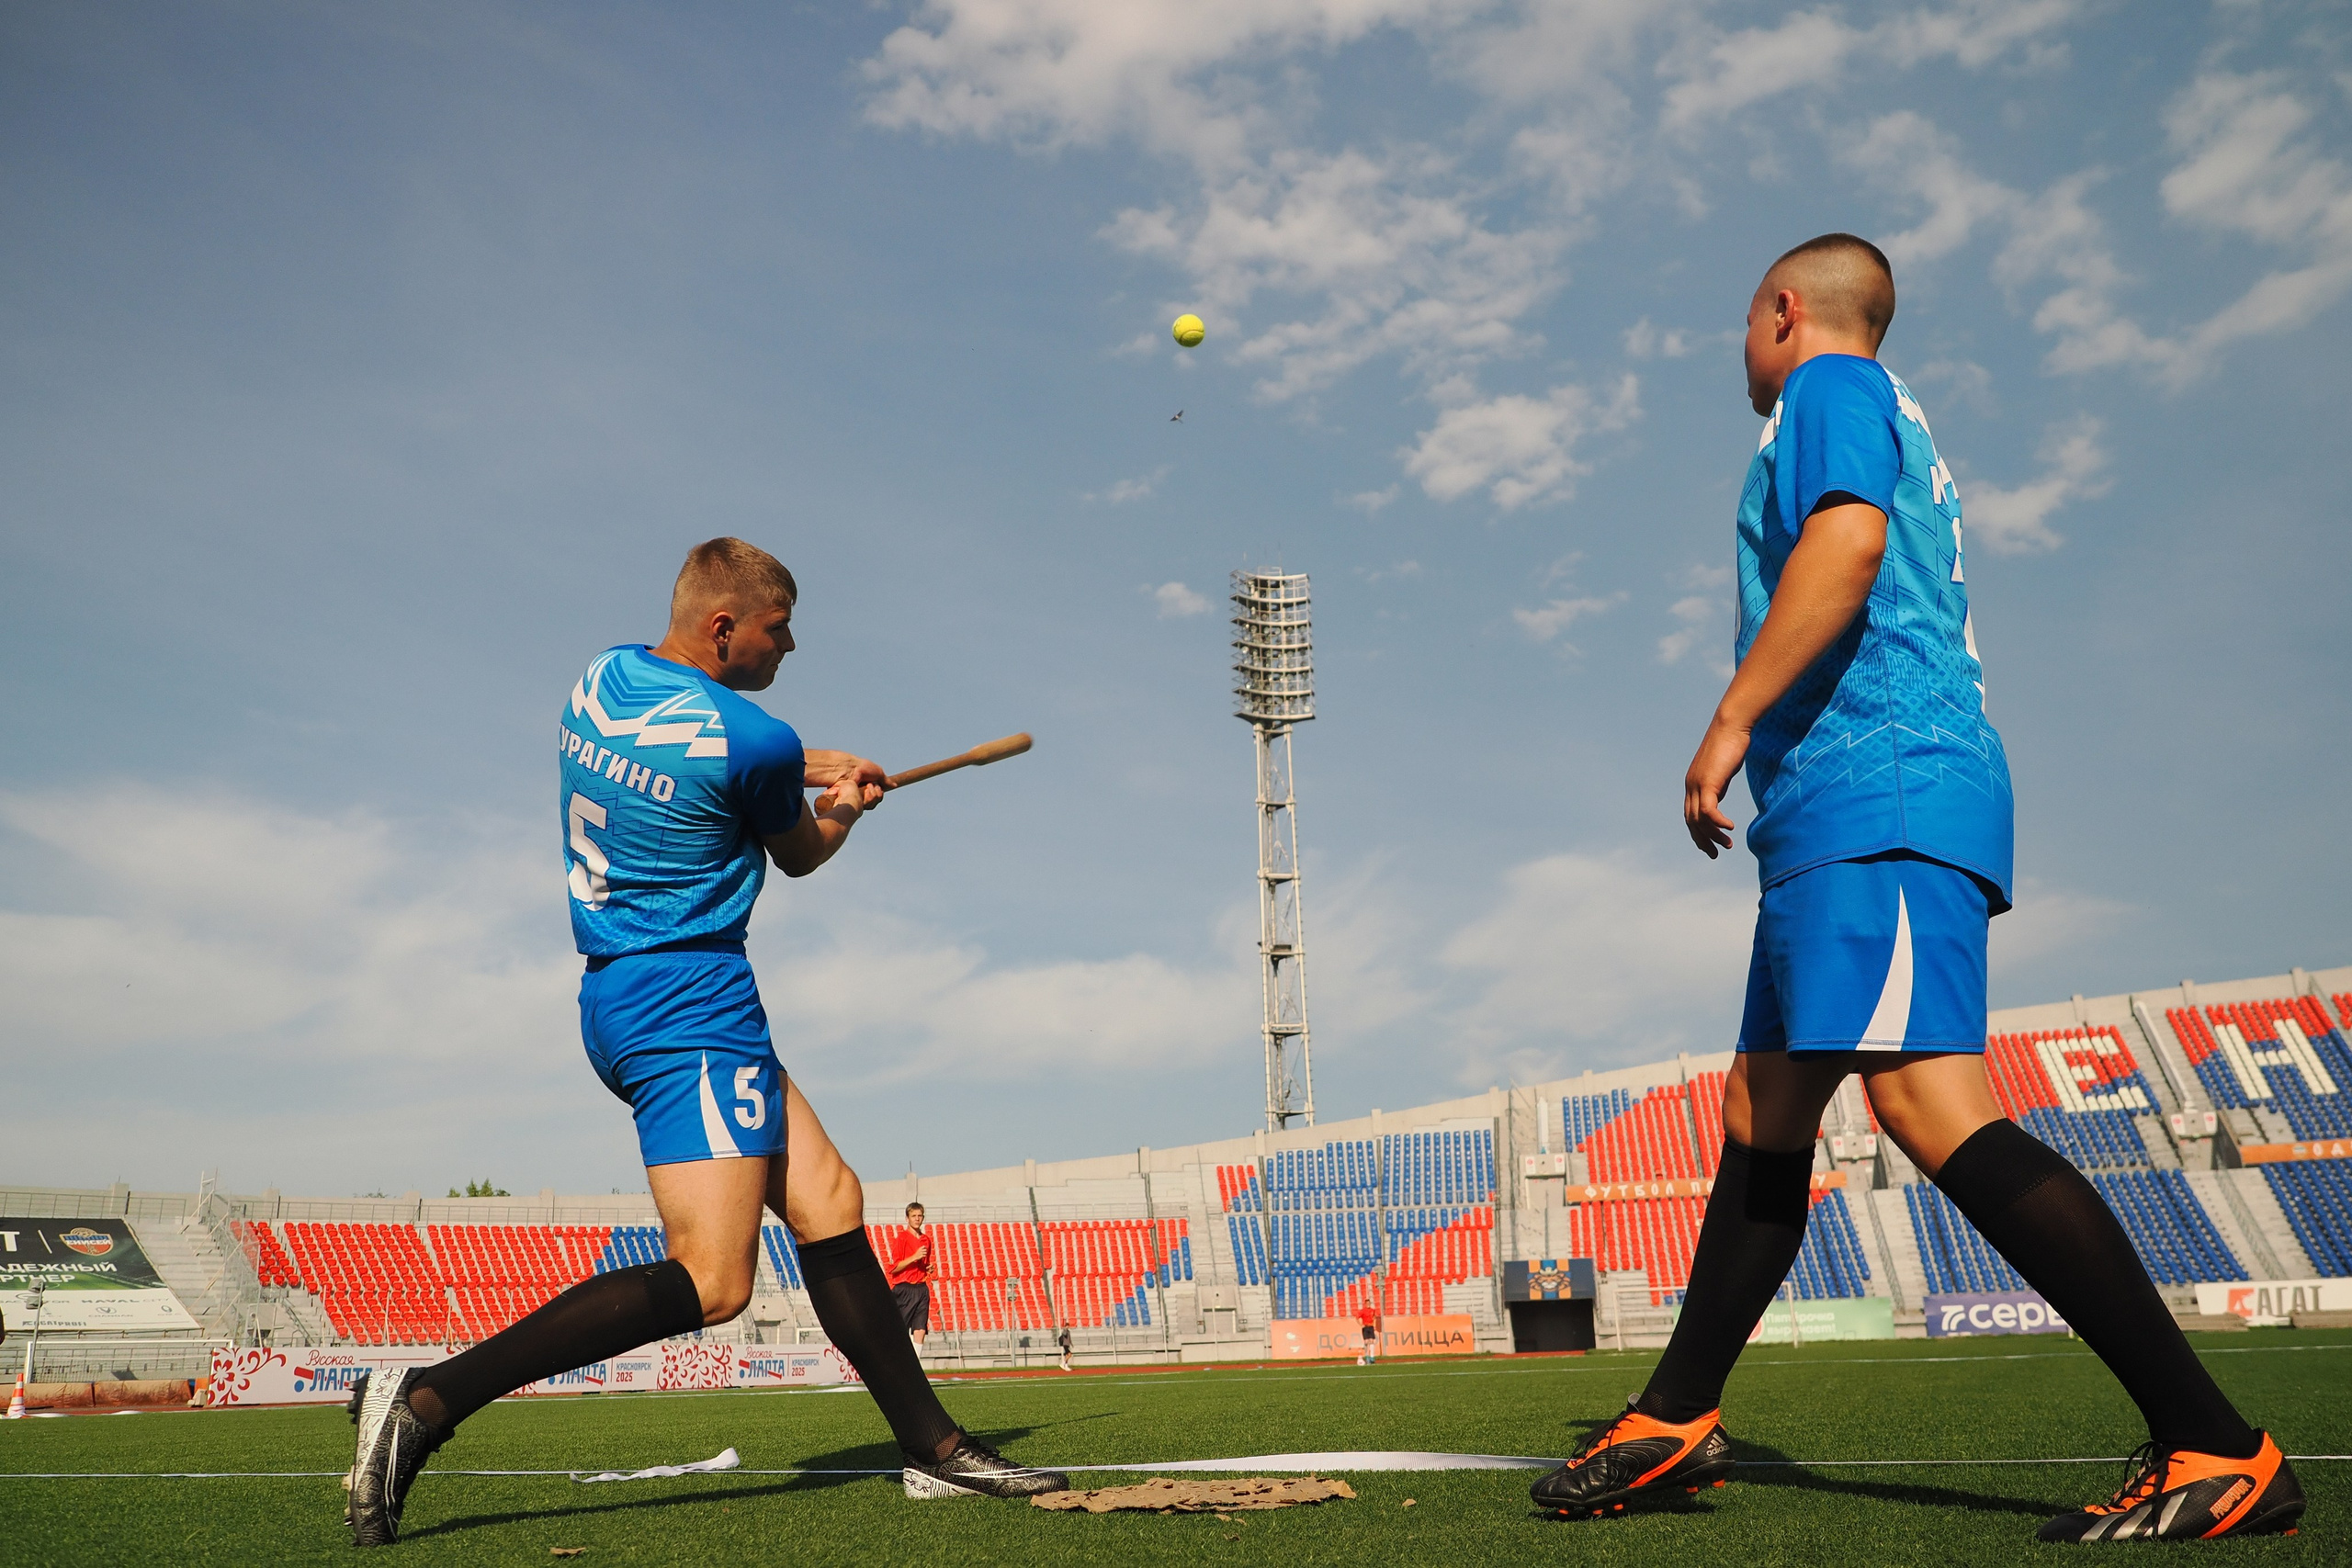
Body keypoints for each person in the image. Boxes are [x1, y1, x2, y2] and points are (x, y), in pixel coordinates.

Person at [1528, 236, 2303, 1544]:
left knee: (1926, 1103)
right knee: (1763, 1106)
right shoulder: (1876, 409)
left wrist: (1728, 721)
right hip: (1845, 802)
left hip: (1879, 785)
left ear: (1785, 310)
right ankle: (1676, 1416)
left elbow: (1847, 540)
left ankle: (2220, 1443)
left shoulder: (1829, 387)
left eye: (1746, 321)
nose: (1744, 350)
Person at [345, 538, 1067, 1547]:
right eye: (779, 627)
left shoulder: (606, 680)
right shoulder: (755, 741)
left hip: (620, 989)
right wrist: (847, 809)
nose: (792, 642)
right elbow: (802, 851)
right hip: (691, 1004)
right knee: (714, 1280)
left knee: (828, 1200)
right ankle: (425, 1399)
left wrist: (818, 759)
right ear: (727, 628)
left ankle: (934, 1451)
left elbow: (732, 744)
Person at [888, 1202, 933, 1349]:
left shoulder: (926, 1240)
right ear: (907, 1219)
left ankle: (916, 1365)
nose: (917, 1219)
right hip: (904, 1288)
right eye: (913, 1216)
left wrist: (928, 1268)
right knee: (899, 1330)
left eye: (919, 1216)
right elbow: (894, 1268)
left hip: (921, 1288)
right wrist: (914, 1257)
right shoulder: (902, 1238)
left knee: (920, 1328)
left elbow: (923, 1263)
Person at [1355, 1297, 1379, 1366]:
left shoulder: (1372, 1310)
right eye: (1367, 1303)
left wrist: (1374, 1324)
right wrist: (1361, 1324)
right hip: (1365, 1327)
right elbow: (1357, 1318)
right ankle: (1367, 1356)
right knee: (1366, 1342)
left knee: (1371, 1341)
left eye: (1369, 1303)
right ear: (1365, 1304)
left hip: (1371, 1327)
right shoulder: (1362, 1311)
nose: (1368, 1304)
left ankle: (1372, 1357)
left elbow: (1374, 1317)